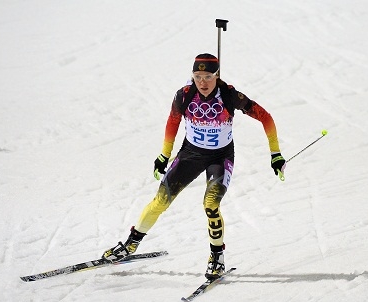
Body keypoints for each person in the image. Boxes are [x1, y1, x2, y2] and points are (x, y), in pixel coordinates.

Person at [102, 53, 286, 280]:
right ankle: (130, 245)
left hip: (220, 157)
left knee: (210, 205)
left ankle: (217, 258)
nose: (202, 82)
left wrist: (275, 154)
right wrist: (164, 155)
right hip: (190, 154)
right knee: (160, 201)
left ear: (216, 76)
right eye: (197, 76)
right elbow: (173, 122)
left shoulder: (229, 95)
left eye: (208, 76)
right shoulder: (185, 96)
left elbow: (265, 117)